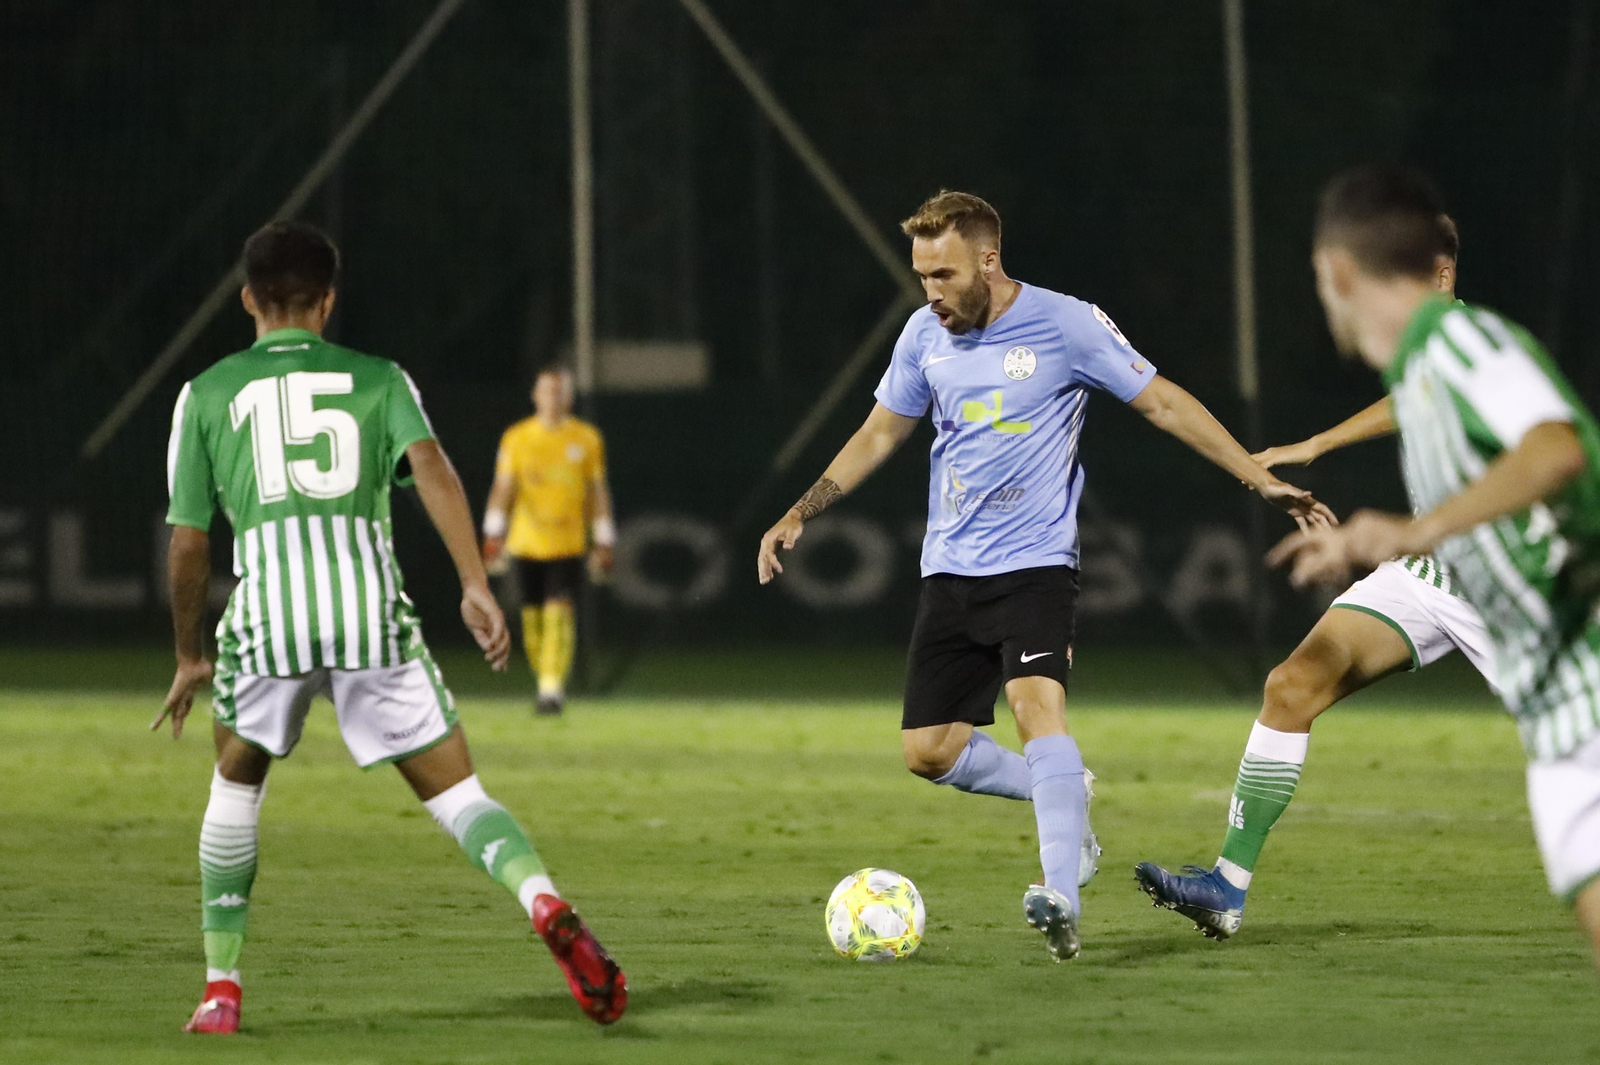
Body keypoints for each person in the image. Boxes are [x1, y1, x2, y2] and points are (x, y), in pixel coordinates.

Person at [755, 190, 1332, 960]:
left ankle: (1060, 893)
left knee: (1037, 710)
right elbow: (879, 432)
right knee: (928, 750)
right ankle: (1064, 792)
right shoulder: (923, 335)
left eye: (943, 274)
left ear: (987, 261)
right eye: (921, 275)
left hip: (1034, 569)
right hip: (948, 574)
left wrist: (1254, 477)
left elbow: (1161, 402)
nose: (930, 292)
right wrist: (802, 509)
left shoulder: (1066, 324)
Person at [159, 221, 625, 1032]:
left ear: (247, 300)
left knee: (236, 782)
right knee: (459, 793)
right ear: (328, 302)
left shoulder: (205, 394)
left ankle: (221, 988)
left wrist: (189, 653)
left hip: (269, 618)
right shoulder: (378, 378)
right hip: (369, 611)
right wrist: (474, 584)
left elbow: (191, 542)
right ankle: (541, 897)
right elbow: (434, 470)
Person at [1268, 163, 1600, 974]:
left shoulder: (1459, 339)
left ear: (1339, 272)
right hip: (1556, 698)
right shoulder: (1420, 367)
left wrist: (1418, 529)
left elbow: (1556, 447)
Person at [1134, 215, 1497, 940]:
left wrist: (1329, 455)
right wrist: (1322, 443)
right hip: (1430, 577)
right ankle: (1224, 888)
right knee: (1292, 685)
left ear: (1443, 275)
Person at [481, 366, 614, 716]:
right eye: (546, 391)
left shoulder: (586, 439)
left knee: (559, 613)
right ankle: (546, 680)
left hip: (568, 543)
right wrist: (493, 531)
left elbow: (596, 491)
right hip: (526, 543)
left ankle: (552, 687)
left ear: (568, 398)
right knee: (532, 618)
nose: (552, 399)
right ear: (535, 396)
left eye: (558, 392)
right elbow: (504, 487)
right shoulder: (517, 438)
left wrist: (603, 538)